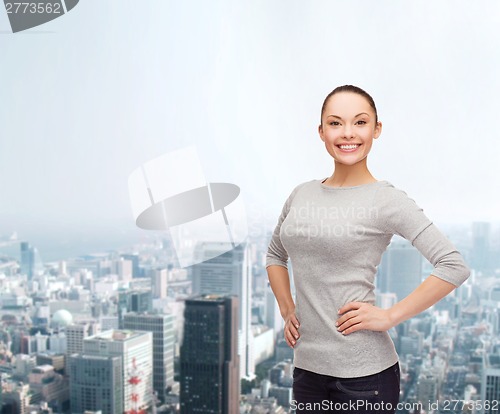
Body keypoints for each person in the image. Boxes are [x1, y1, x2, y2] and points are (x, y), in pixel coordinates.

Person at [265, 85, 470, 414]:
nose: (347, 133)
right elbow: (275, 255)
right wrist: (287, 308)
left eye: (359, 122)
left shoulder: (386, 199)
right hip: (306, 370)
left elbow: (453, 265)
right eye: (335, 123)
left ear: (376, 129)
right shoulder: (300, 194)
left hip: (366, 376)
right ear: (321, 132)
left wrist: (390, 316)